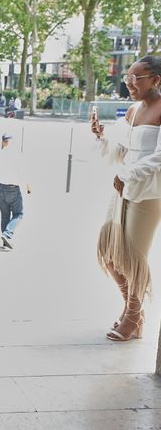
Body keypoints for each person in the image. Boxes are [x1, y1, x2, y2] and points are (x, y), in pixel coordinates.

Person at [91, 55, 161, 342]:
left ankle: (133, 317)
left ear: (156, 80)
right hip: (123, 188)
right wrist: (100, 138)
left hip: (147, 193)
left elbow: (159, 157)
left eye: (136, 78)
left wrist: (128, 175)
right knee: (109, 253)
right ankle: (133, 312)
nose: (129, 83)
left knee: (134, 259)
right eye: (127, 78)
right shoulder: (132, 111)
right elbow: (123, 151)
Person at [0, 133, 31, 249]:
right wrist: (27, 187)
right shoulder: (16, 155)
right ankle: (7, 234)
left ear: (3, 142)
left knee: (5, 215)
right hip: (12, 189)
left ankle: (5, 243)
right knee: (19, 214)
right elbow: (22, 172)